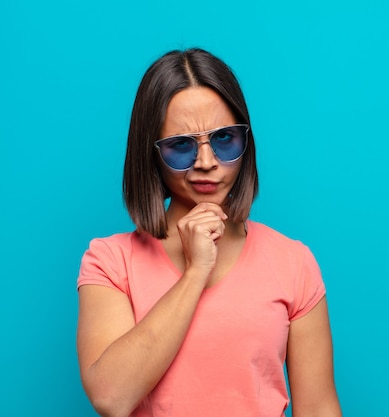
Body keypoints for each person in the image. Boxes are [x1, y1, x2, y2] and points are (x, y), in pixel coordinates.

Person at [76, 47, 342, 417]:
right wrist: (195, 273)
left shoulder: (292, 262)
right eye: (180, 146)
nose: (206, 162)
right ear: (151, 152)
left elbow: (318, 409)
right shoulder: (109, 262)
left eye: (223, 140)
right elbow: (112, 397)